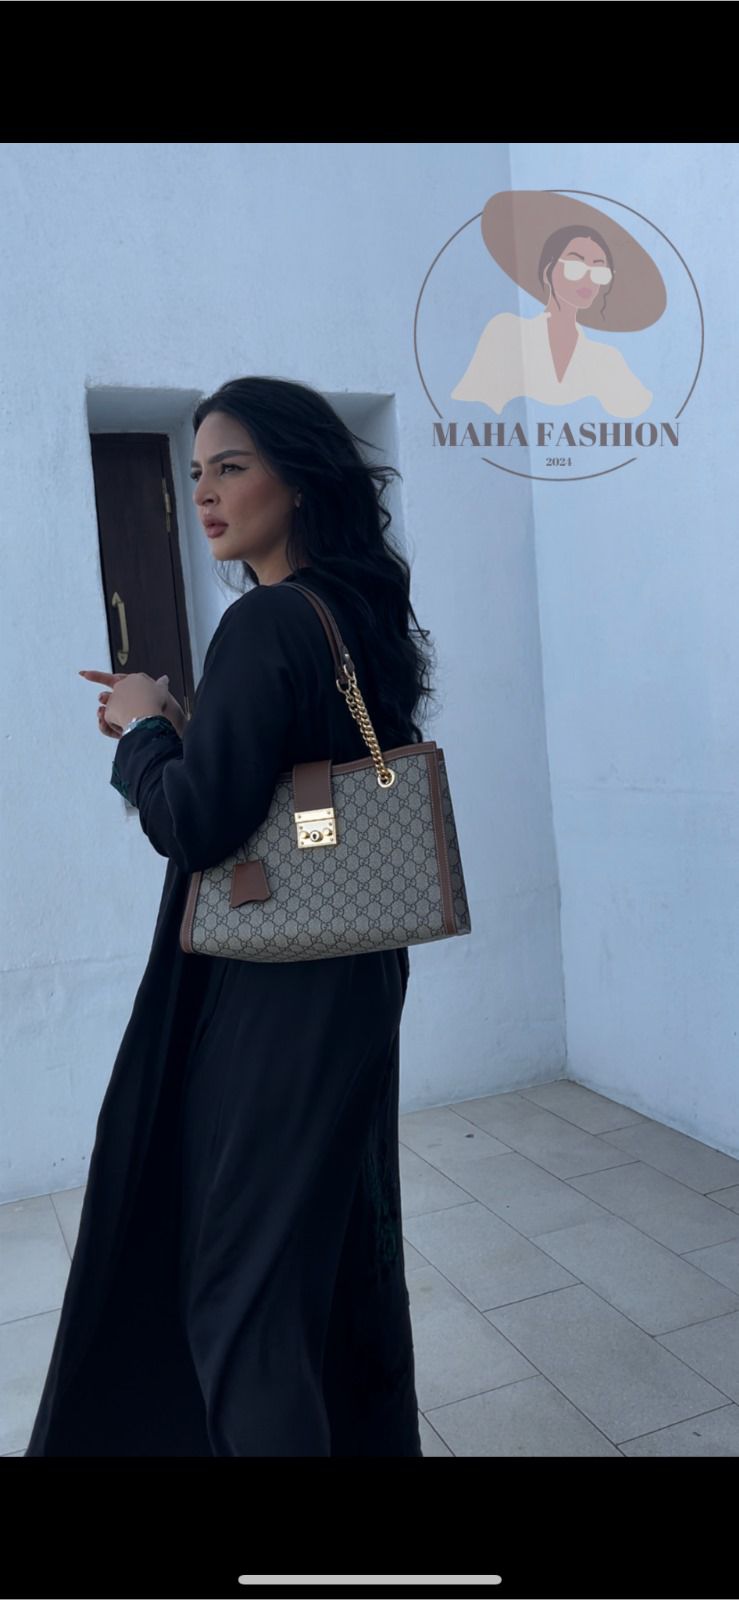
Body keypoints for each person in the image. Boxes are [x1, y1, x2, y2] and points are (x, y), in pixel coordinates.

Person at [24, 375, 438, 1457]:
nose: (204, 492)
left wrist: (141, 730)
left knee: (239, 1293)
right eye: (196, 472)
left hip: (273, 986)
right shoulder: (355, 611)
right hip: (352, 960)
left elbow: (197, 823)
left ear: (297, 481)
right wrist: (181, 717)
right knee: (322, 1260)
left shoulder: (266, 620)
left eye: (232, 467)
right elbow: (283, 776)